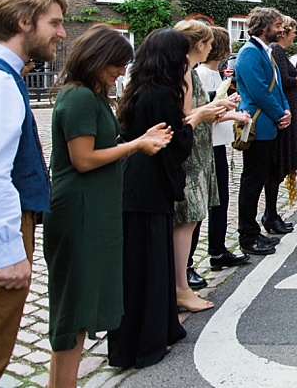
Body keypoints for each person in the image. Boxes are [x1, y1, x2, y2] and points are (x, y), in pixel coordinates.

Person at [44, 25, 170, 387]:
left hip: (94, 206)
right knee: (74, 307)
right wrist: (136, 145)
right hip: (81, 209)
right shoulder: (80, 98)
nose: (121, 71)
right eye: (116, 64)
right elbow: (83, 159)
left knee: (81, 305)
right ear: (96, 59)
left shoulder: (93, 94)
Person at [108, 29, 210, 369]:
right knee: (149, 265)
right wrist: (196, 118)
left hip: (136, 180)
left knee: (144, 262)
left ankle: (159, 330)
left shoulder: (139, 88)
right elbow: (175, 143)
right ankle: (145, 342)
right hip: (150, 184)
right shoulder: (163, 93)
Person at [0, 0, 67, 385]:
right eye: (53, 23)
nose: (61, 33)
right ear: (23, 22)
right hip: (7, 228)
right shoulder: (1, 81)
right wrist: (9, 253)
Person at [172, 20, 235, 312]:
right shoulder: (185, 71)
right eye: (208, 43)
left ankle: (183, 280)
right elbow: (186, 115)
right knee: (189, 216)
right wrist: (215, 108)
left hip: (201, 148)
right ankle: (181, 281)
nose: (212, 48)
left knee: (195, 215)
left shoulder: (188, 71)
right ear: (199, 44)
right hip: (193, 150)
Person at [191, 27, 250, 275]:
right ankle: (191, 261)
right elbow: (204, 112)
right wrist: (233, 114)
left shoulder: (214, 74)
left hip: (218, 143)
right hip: (208, 145)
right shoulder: (202, 74)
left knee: (221, 201)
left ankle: (218, 249)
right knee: (204, 204)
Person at [234, 8, 291, 256]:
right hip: (258, 125)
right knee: (252, 181)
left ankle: (256, 229)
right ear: (264, 27)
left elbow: (276, 88)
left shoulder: (264, 51)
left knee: (264, 177)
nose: (281, 29)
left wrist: (286, 109)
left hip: (270, 125)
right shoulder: (249, 53)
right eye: (277, 25)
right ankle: (247, 235)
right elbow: (258, 91)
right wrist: (280, 114)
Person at [269, 15, 297, 233]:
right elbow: (282, 80)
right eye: (293, 31)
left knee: (282, 165)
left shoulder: (279, 52)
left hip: (289, 111)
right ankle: (270, 215)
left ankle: (272, 214)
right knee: (278, 166)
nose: (295, 35)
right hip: (284, 113)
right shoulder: (276, 51)